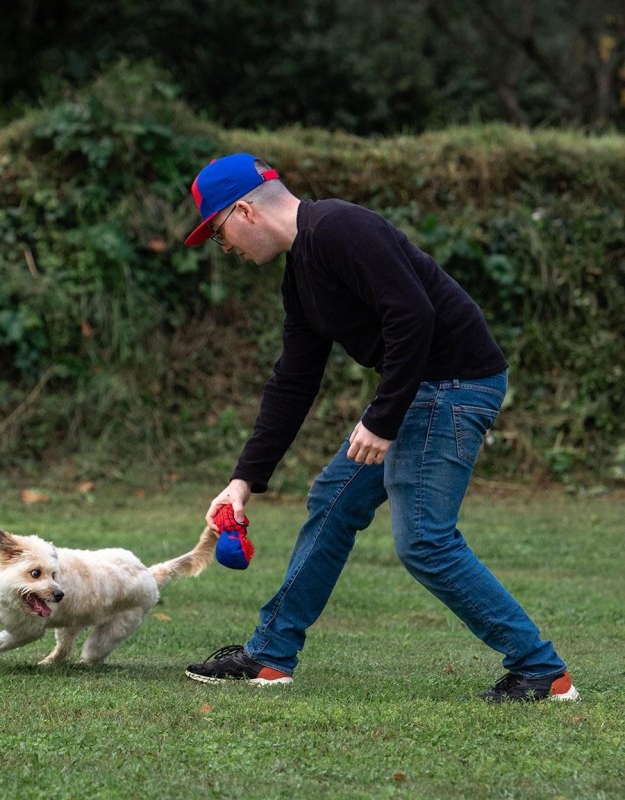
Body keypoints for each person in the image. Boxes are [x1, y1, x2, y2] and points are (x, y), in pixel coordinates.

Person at [181, 153, 579, 702]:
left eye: (219, 233)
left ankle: (542, 670)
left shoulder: (341, 228)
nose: (223, 248)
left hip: (455, 385)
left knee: (424, 539)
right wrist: (243, 480)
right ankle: (271, 655)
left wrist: (382, 418)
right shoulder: (301, 272)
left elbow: (414, 316)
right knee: (333, 500)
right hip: (421, 388)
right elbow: (294, 379)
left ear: (245, 211)